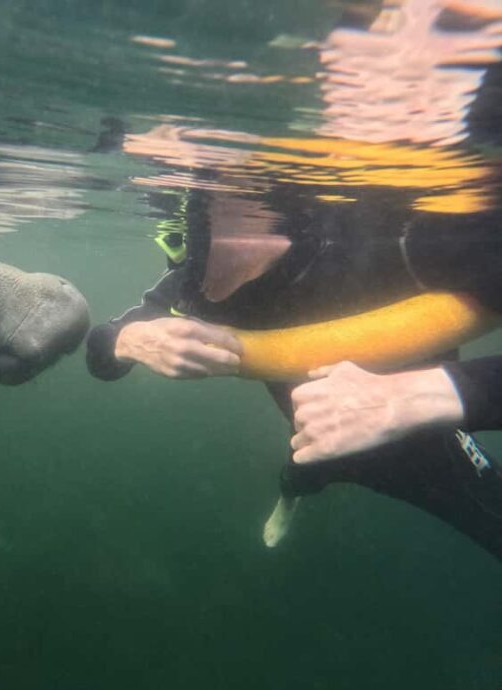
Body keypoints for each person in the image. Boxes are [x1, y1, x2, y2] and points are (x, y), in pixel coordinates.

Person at [87, 0, 502, 558]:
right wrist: (131, 340)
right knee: (307, 460)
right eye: (214, 211)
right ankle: (292, 494)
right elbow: (101, 348)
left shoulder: (387, 242)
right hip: (316, 436)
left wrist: (417, 397)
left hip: (426, 440)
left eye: (254, 201)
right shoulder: (201, 284)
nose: (239, 234)